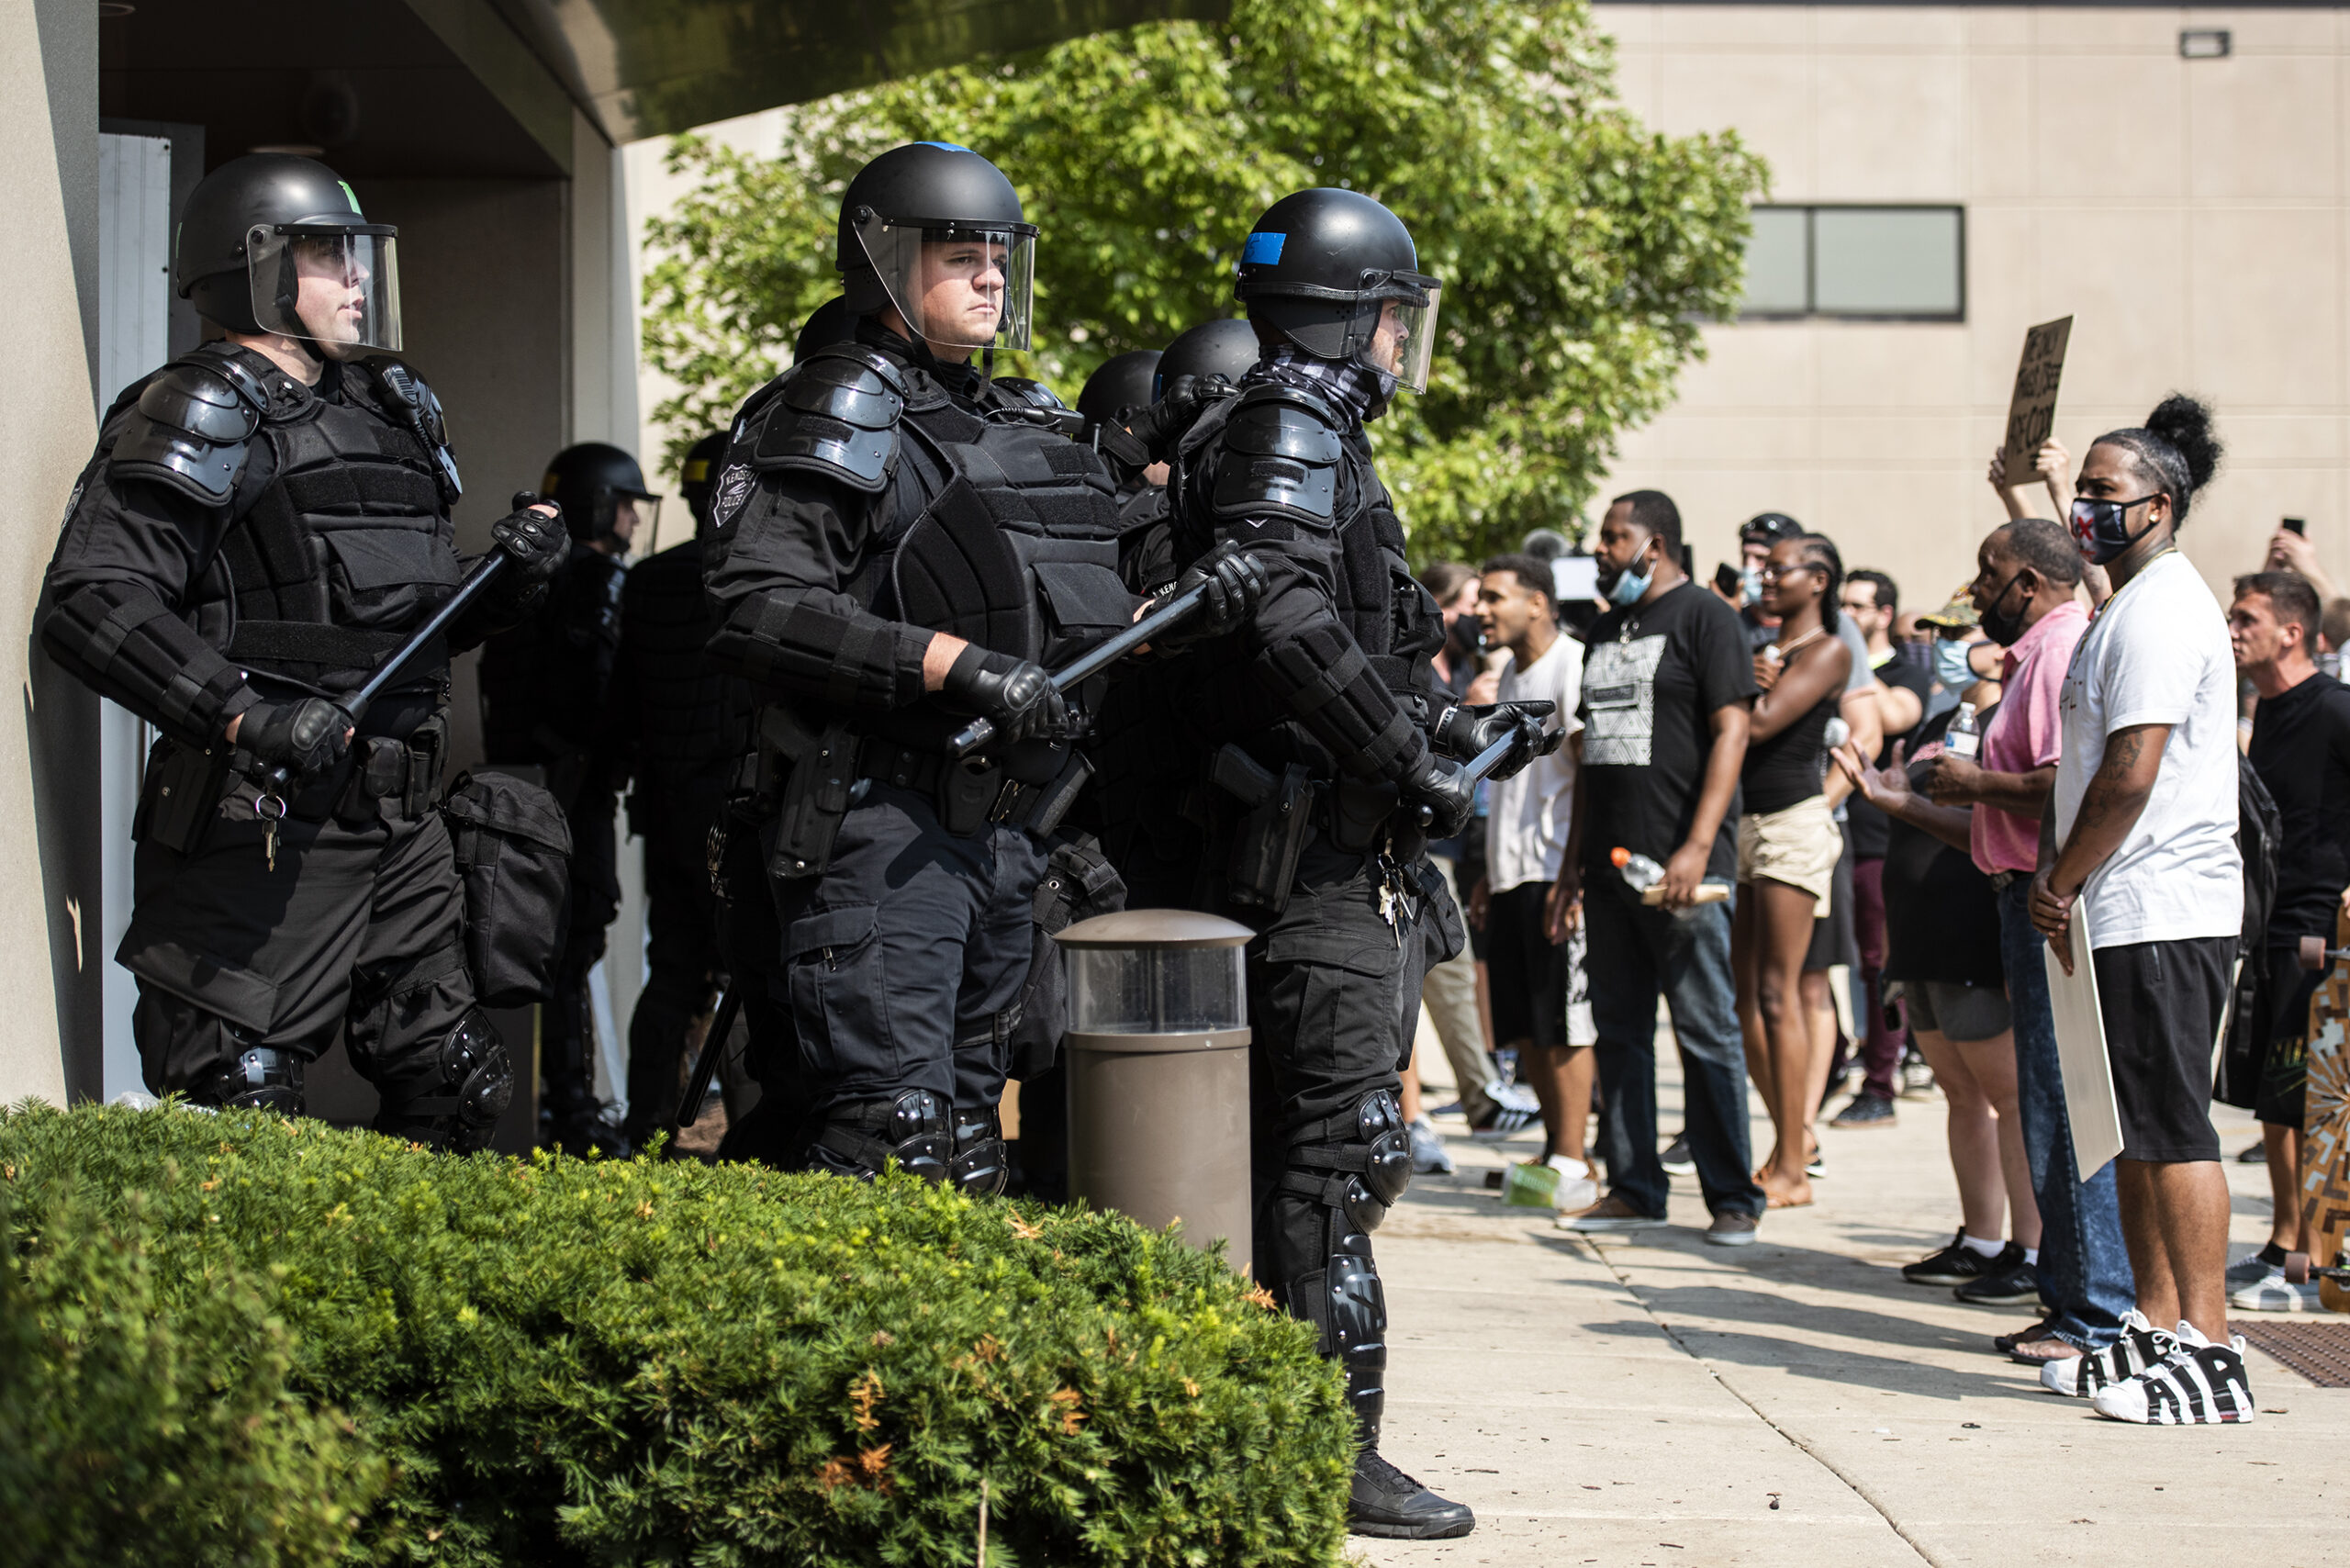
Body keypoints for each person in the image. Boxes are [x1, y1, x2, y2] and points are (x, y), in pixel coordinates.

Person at [700, 143, 1263, 1196]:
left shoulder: (1019, 420)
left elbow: (1071, 620)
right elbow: (753, 605)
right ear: (884, 263)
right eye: (962, 256)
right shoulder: (843, 407)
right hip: (881, 827)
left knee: (965, 1145)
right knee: (888, 1134)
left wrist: (1181, 611)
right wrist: (953, 667)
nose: (991, 279)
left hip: (1006, 838)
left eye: (1000, 256)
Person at [1161, 186, 1553, 1539]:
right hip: (1314, 873)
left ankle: (1307, 1442)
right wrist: (1409, 755)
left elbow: (1343, 635)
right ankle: (1333, 1457)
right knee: (1334, 1164)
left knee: (1332, 1162)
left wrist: (1454, 726)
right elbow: (1275, 609)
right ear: (1352, 313)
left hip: (1337, 854)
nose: (1404, 342)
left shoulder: (1296, 427)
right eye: (1395, 316)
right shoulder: (1289, 419)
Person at [39, 152, 565, 1147]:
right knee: (243, 1103)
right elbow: (92, 600)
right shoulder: (198, 407)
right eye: (330, 256)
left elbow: (387, 609)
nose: (357, 278)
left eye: (359, 255)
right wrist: (242, 712)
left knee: (456, 1084)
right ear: (254, 265)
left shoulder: (391, 408)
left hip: (404, 824)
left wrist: (508, 578)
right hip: (267, 818)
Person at [2031, 397, 2255, 1423]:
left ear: (2160, 507)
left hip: (2160, 901)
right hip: (2113, 905)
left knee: (2173, 1130)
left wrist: (2063, 875)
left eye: (2103, 493)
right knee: (2124, 1132)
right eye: (2078, 492)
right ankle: (2150, 1326)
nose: (2085, 509)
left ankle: (2211, 1353)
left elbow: (2130, 771)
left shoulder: (2165, 609)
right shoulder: (2125, 599)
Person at [1899, 518, 2132, 1370]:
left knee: (2062, 1111)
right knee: (2045, 1108)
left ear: (2029, 582)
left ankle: (2091, 1311)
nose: (1979, 589)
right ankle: (2071, 1302)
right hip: (2017, 898)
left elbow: (2057, 785)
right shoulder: (2031, 656)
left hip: (2047, 903)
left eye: (1987, 573)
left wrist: (1973, 782)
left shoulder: (2059, 649)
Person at [1559, 489, 1765, 1246]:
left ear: (1658, 545)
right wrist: (1571, 868)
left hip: (1683, 869)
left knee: (1705, 1029)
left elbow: (1733, 733)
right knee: (1619, 1030)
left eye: (1616, 538)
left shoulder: (1709, 619)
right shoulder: (1604, 629)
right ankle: (1635, 1185)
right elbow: (1592, 755)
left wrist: (1696, 846)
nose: (1604, 550)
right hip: (1608, 868)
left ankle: (1733, 1197)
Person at [479, 441, 656, 1152]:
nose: (634, 523)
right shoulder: (593, 582)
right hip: (570, 790)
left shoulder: (533, 576)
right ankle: (571, 1111)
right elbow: (601, 691)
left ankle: (566, 1105)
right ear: (596, 504)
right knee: (568, 944)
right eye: (624, 505)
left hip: (527, 787)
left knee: (549, 947)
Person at [1835, 700, 2034, 1305]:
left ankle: (2032, 1250)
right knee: (1961, 1095)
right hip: (1922, 940)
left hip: (1974, 938)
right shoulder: (1944, 720)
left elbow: (2003, 833)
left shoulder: (2027, 713)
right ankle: (1983, 1241)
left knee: (2012, 1099)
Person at [601, 431, 750, 1146]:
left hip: (667, 811)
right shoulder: (760, 579)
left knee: (673, 972)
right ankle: (755, 1134)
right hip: (741, 810)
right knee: (755, 974)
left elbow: (621, 707)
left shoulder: (648, 582)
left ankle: (646, 1122)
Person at [2227, 571, 2350, 1310]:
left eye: (2246, 618)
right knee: (2274, 1099)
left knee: (2313, 1100)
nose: (2232, 628)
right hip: (2270, 927)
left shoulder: (2335, 708)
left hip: (2319, 934)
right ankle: (2283, 1246)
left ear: (2292, 631)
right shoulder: (2264, 711)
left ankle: (2315, 1262)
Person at [1465, 554, 1592, 1205]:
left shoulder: (1574, 665)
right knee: (1527, 1022)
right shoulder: (1514, 672)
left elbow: (1586, 777)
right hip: (1513, 872)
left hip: (1554, 873)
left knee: (1564, 1021)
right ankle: (1553, 1147)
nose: (1480, 609)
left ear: (1538, 602)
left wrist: (1572, 877)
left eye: (1495, 598)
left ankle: (1575, 1158)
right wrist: (1488, 871)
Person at [1732, 534, 1851, 1209]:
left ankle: (1794, 1163)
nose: (1765, 580)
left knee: (1780, 995)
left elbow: (1761, 722)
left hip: (1791, 827)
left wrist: (1751, 686)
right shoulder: (1768, 651)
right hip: (1751, 828)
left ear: (1819, 579)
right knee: (1743, 997)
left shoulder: (1829, 649)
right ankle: (1788, 1144)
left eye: (1779, 570)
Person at [1415, 562, 1518, 1149]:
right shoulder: (1422, 662)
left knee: (1451, 969)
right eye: (1469, 603)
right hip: (1422, 842)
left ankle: (1480, 1095)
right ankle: (1430, 1111)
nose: (1478, 616)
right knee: (1434, 973)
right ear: (1441, 605)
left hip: (1458, 843)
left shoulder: (1464, 663)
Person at [1830, 568, 1931, 1127]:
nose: (1848, 612)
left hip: (1879, 838)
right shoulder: (1834, 661)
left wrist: (1847, 657)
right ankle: (1838, 1064)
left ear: (1884, 614)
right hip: (1835, 833)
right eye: (1842, 602)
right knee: (1824, 963)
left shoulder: (1906, 671)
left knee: (1877, 963)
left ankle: (1880, 1082)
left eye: (1859, 606)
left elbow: (1898, 715)